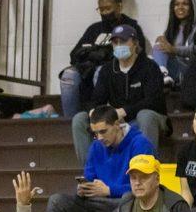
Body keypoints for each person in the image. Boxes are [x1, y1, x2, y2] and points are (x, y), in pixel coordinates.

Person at [45, 106, 150, 212]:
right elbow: (89, 176)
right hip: (98, 205)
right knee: (56, 202)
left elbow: (143, 187)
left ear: (116, 125)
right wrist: (84, 189)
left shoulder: (140, 143)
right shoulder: (96, 146)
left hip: (126, 205)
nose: (99, 137)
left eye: (103, 131)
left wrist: (109, 190)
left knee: (129, 199)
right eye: (95, 133)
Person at [70, 25, 166, 163]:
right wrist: (93, 111)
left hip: (149, 119)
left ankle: (145, 168)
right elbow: (96, 100)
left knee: (145, 115)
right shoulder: (107, 70)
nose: (119, 45)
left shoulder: (150, 67)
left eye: (123, 41)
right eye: (115, 42)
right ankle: (90, 171)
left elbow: (154, 101)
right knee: (80, 119)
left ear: (135, 43)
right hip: (116, 121)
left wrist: (124, 111)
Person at [60, 0, 146, 117]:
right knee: (68, 76)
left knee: (102, 72)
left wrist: (106, 55)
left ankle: (103, 118)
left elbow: (139, 54)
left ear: (119, 7)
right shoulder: (94, 29)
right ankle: (71, 120)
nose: (104, 13)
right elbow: (73, 55)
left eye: (108, 8)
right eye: (101, 9)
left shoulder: (131, 26)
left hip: (116, 71)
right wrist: (88, 54)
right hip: (89, 70)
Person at [152, 0, 196, 86]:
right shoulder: (172, 28)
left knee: (160, 48)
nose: (180, 7)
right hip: (176, 70)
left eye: (185, 4)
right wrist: (162, 40)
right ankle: (163, 75)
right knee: (155, 51)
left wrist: (173, 50)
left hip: (193, 70)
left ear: (193, 7)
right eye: (176, 4)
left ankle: (162, 75)